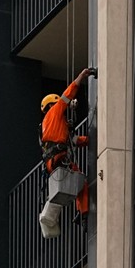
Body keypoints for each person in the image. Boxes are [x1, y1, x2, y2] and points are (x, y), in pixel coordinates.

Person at [38, 67, 96, 237]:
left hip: (53, 161)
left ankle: (82, 214)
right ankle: (83, 214)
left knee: (77, 182)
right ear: (52, 105)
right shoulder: (55, 112)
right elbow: (68, 94)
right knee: (80, 182)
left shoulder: (47, 126)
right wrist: (81, 76)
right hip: (59, 158)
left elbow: (74, 141)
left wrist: (91, 140)